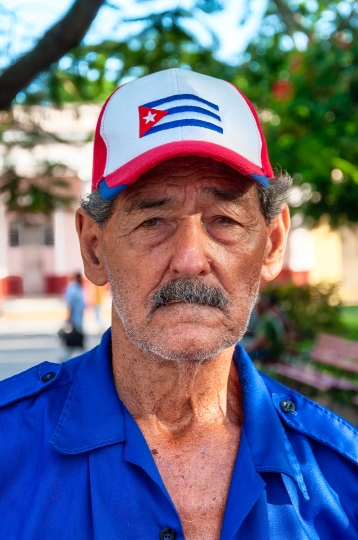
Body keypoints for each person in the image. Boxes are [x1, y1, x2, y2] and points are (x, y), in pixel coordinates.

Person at [0, 69, 357, 540]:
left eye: (224, 219)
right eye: (153, 220)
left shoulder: (341, 480)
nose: (190, 261)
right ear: (94, 248)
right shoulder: (9, 453)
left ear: (271, 244)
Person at [246, 296, 285, 362]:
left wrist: (250, 349)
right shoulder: (270, 317)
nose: (256, 310)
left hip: (270, 353)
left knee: (244, 357)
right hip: (275, 352)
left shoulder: (266, 319)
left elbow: (263, 341)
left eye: (258, 307)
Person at [60, 272, 86, 358]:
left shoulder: (79, 288)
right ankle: (65, 356)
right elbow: (70, 305)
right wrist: (69, 318)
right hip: (75, 319)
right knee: (74, 337)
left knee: (78, 337)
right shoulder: (73, 289)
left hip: (79, 318)